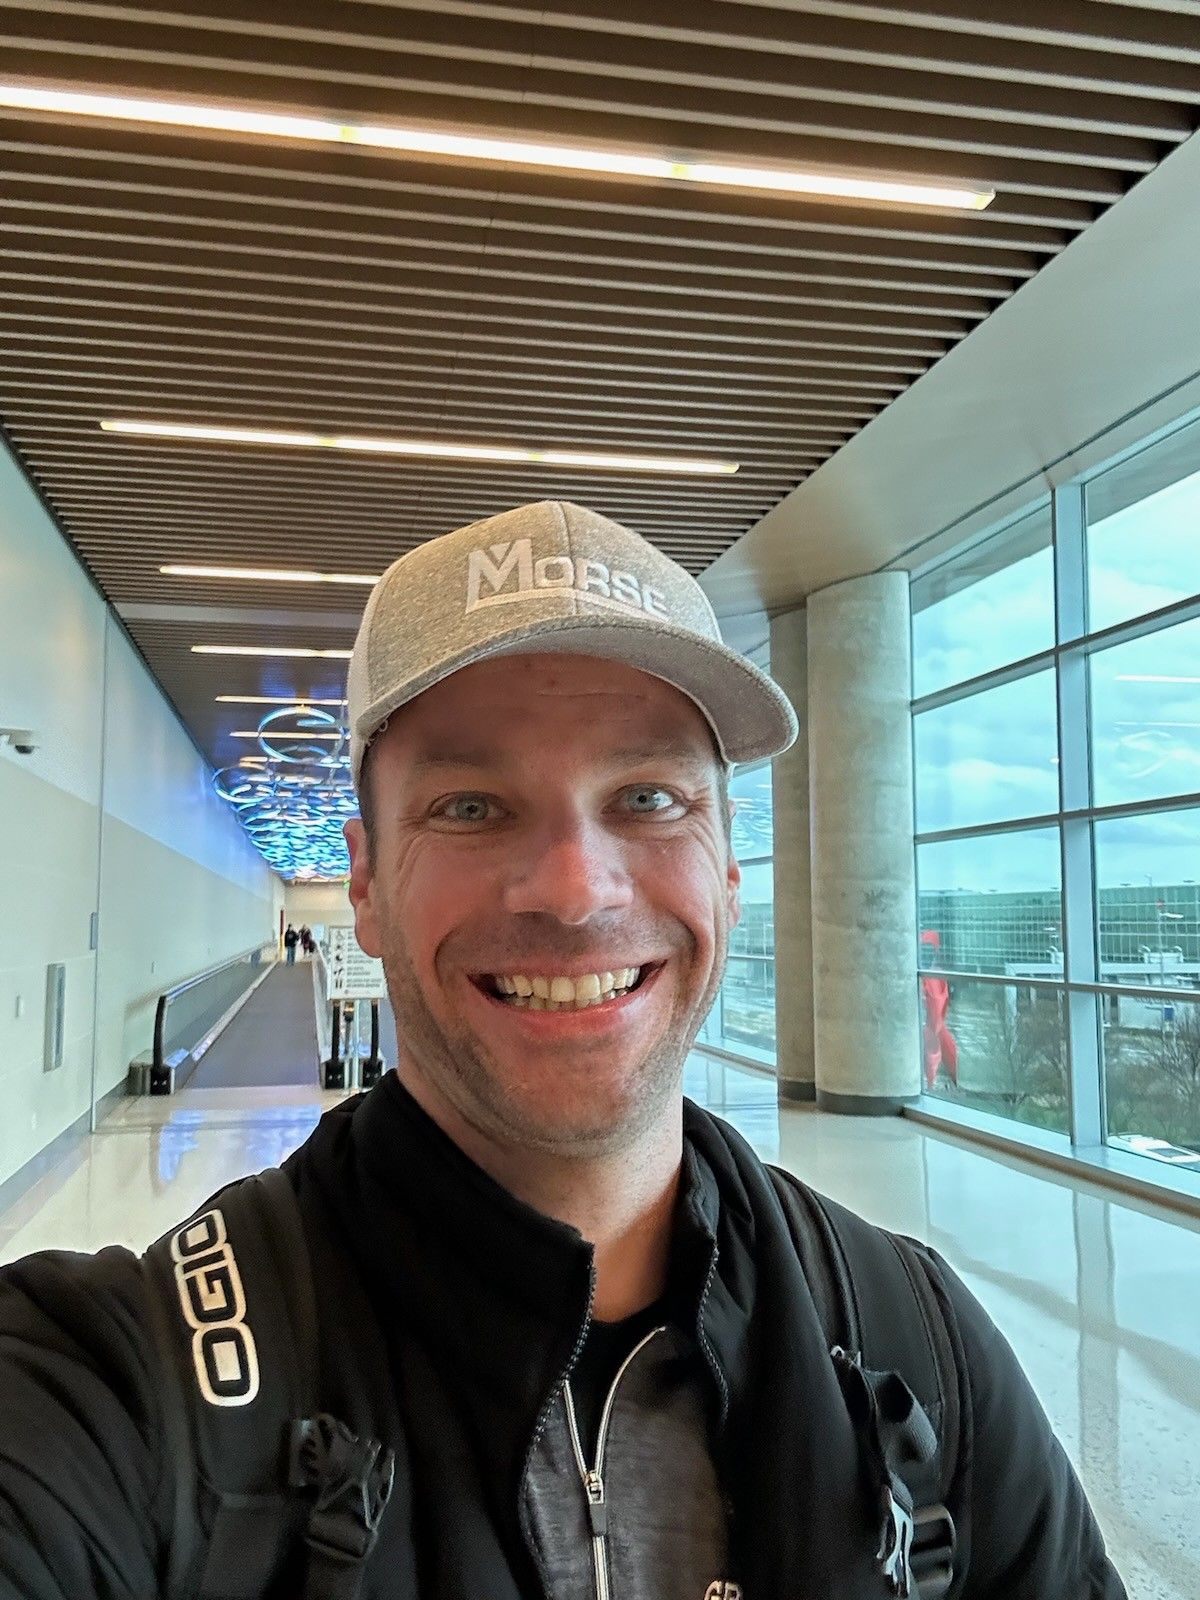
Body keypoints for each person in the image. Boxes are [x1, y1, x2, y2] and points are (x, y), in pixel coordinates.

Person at [0, 501, 1126, 1598]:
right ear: (364, 884)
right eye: (471, 805)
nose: (579, 890)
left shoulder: (919, 1345)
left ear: (730, 875)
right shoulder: (131, 1388)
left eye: (647, 796)